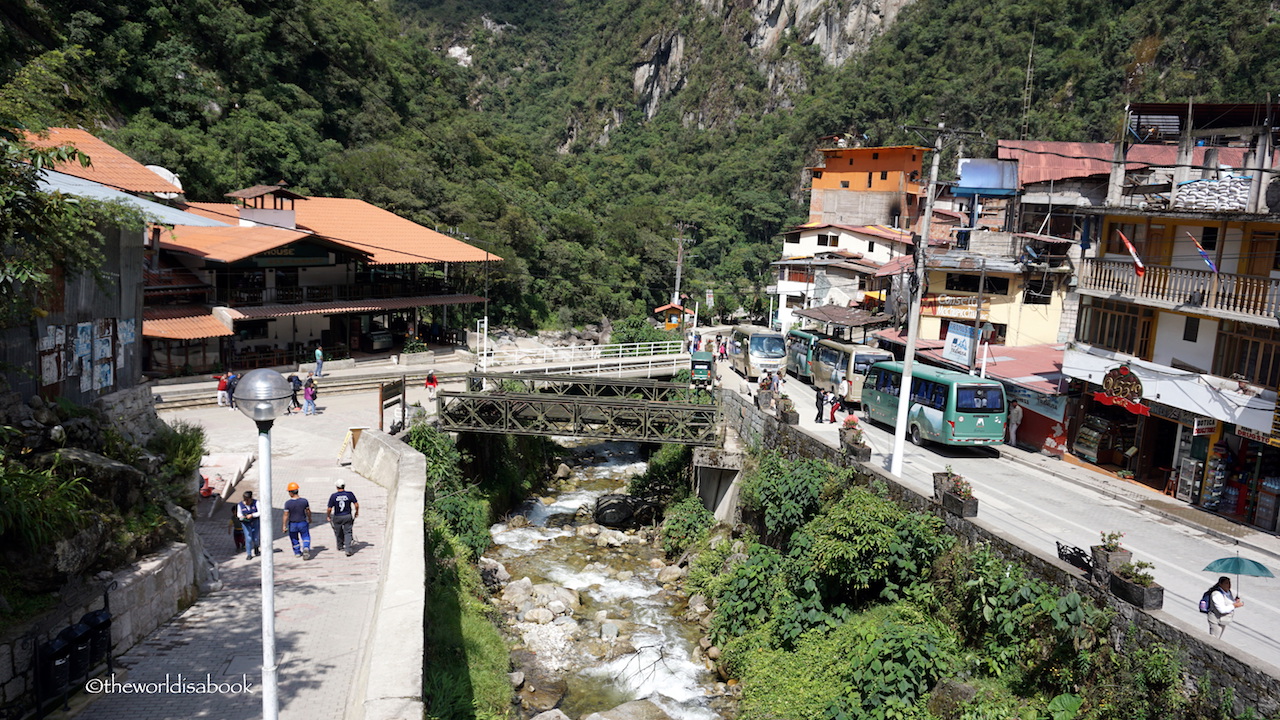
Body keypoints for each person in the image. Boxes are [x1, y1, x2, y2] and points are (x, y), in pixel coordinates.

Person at [327, 480, 360, 557]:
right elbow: (356, 504)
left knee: (338, 531)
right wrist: (356, 512)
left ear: (336, 487)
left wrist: (328, 516)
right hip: (347, 515)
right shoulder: (350, 494)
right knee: (348, 532)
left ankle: (340, 545)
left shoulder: (333, 496)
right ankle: (348, 549)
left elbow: (329, 508)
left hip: (337, 516)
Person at [282, 482, 312, 560]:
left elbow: (286, 515)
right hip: (303, 522)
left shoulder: (288, 503)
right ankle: (306, 547)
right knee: (306, 536)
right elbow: (308, 511)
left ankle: (297, 552)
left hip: (292, 524)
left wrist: (284, 525)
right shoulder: (304, 501)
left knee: (294, 539)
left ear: (291, 492)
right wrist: (309, 518)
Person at [237, 491, 262, 560]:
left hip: (255, 522)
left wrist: (252, 515)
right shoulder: (240, 505)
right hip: (246, 523)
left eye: (248, 500)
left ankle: (256, 547)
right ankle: (249, 553)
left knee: (256, 537)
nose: (247, 502)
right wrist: (242, 517)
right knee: (248, 538)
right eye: (245, 500)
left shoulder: (256, 503)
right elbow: (239, 514)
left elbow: (260, 512)